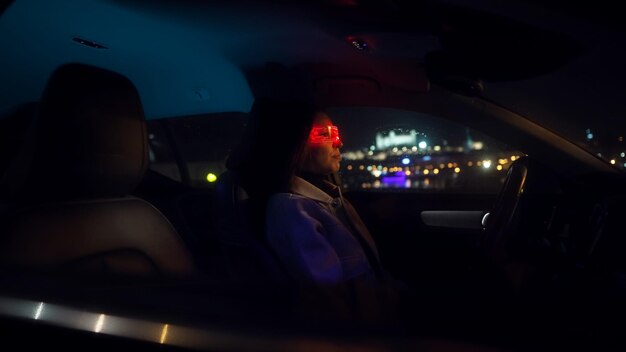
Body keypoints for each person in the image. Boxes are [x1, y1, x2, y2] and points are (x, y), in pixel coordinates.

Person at [226, 98, 400, 325]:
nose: (338, 142)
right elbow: (326, 300)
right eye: (325, 134)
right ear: (292, 143)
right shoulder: (291, 211)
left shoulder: (323, 198)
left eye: (335, 132)